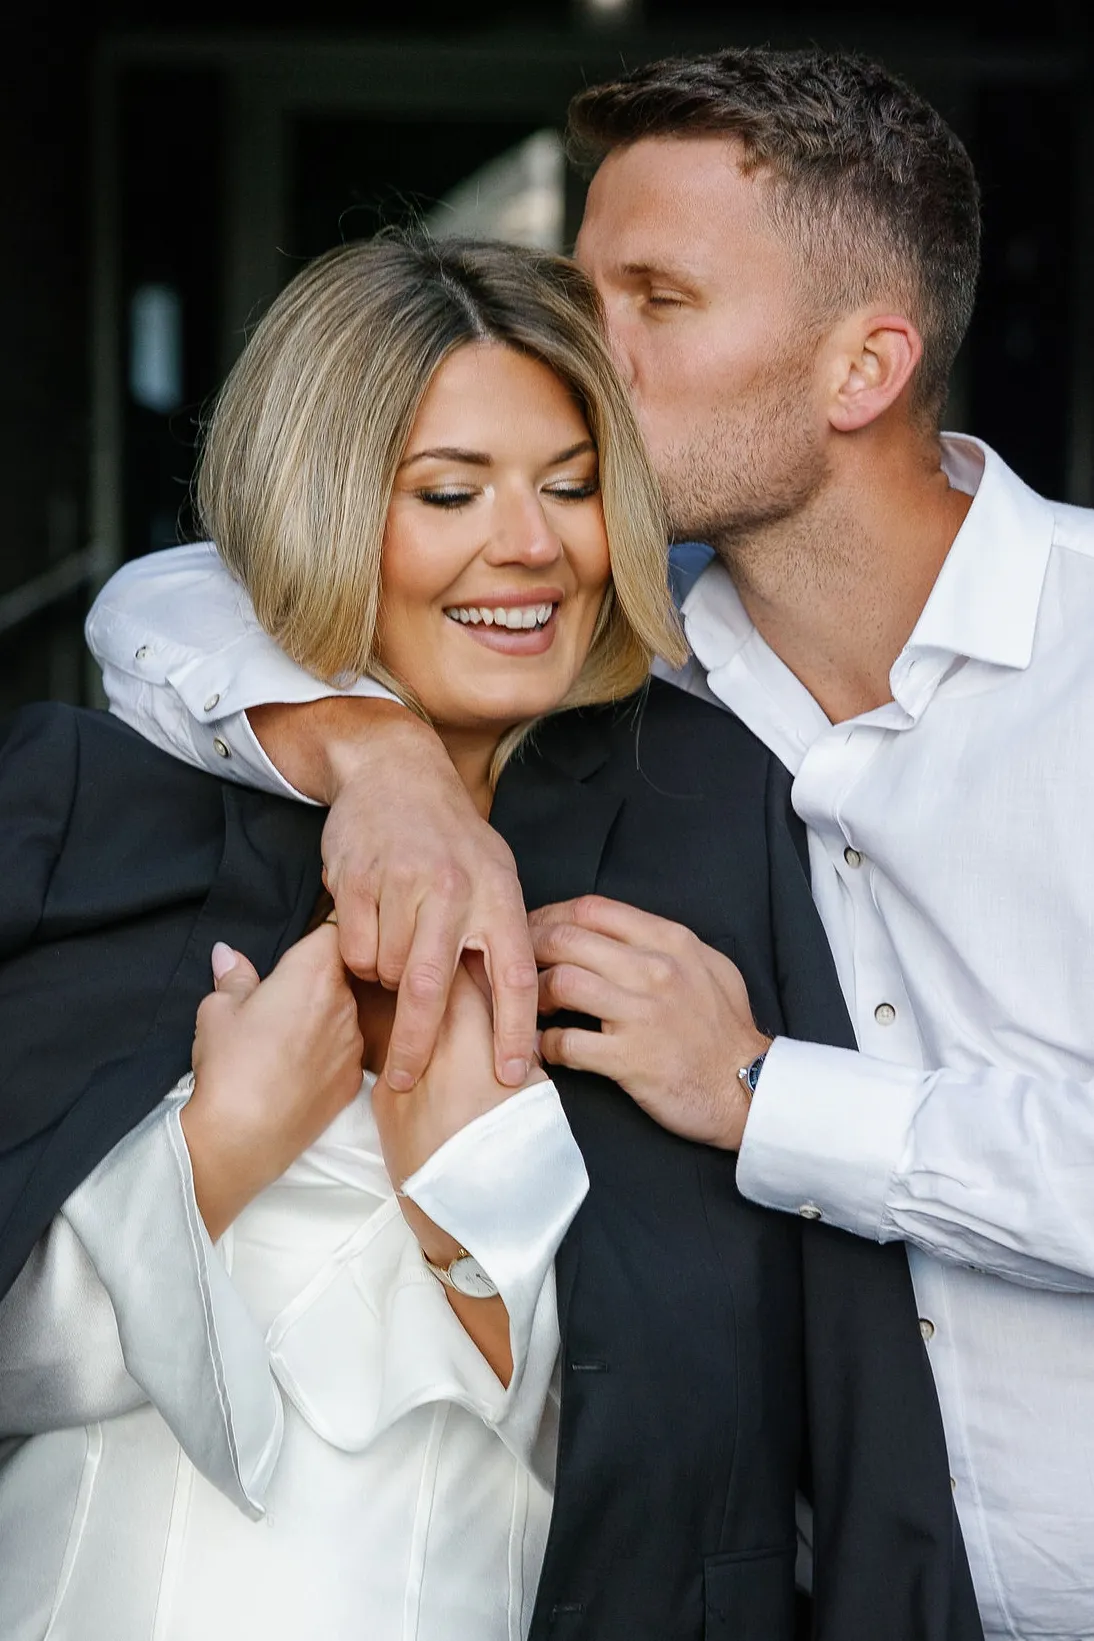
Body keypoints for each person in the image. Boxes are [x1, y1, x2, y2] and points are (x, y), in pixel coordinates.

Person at [86, 48, 1094, 1640]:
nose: (583, 351)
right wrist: (378, 760)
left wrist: (761, 1092)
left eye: (655, 301)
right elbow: (176, 597)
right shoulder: (635, 652)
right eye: (581, 288)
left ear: (862, 367)